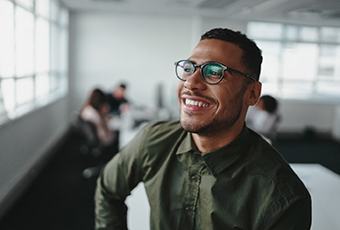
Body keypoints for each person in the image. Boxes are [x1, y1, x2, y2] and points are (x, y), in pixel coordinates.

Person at [95, 28, 311, 230]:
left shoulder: (282, 198)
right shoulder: (153, 140)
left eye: (215, 72)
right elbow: (108, 189)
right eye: (189, 68)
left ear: (253, 93)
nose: (190, 82)